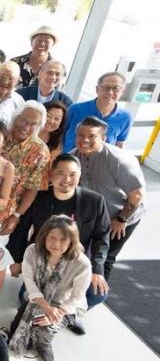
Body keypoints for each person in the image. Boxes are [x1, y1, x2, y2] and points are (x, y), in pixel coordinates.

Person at [6, 154, 109, 332]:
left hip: (73, 261)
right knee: (24, 295)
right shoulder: (38, 198)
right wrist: (17, 260)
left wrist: (97, 269)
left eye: (72, 174)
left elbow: (102, 236)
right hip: (43, 258)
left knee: (98, 293)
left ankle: (68, 316)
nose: (66, 180)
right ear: (51, 175)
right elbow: (21, 229)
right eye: (61, 173)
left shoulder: (94, 201)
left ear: (80, 175)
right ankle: (46, 312)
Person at [9, 216, 91, 361]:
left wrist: (55, 314)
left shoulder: (82, 264)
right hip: (37, 299)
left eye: (63, 239)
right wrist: (45, 307)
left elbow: (76, 297)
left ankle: (45, 343)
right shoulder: (32, 251)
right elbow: (30, 283)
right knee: (15, 330)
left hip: (63, 305)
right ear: (44, 236)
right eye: (52, 237)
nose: (56, 244)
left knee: (44, 330)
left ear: (72, 241)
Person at [73, 117, 146, 280]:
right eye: (80, 135)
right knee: (84, 255)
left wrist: (121, 219)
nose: (84, 140)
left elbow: (137, 195)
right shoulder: (73, 157)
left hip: (123, 215)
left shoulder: (119, 160)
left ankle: (95, 297)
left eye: (91, 136)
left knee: (104, 258)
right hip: (95, 216)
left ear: (103, 138)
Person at [0, 102, 51, 235]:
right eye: (23, 120)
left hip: (3, 214)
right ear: (16, 117)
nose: (26, 127)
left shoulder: (41, 152)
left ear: (39, 127)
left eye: (33, 124)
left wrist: (16, 216)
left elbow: (33, 188)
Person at [62, 72, 132, 150]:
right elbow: (59, 135)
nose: (110, 92)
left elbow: (119, 143)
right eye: (106, 87)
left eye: (116, 88)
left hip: (101, 161)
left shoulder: (125, 117)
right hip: (69, 159)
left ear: (122, 92)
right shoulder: (75, 109)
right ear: (97, 89)